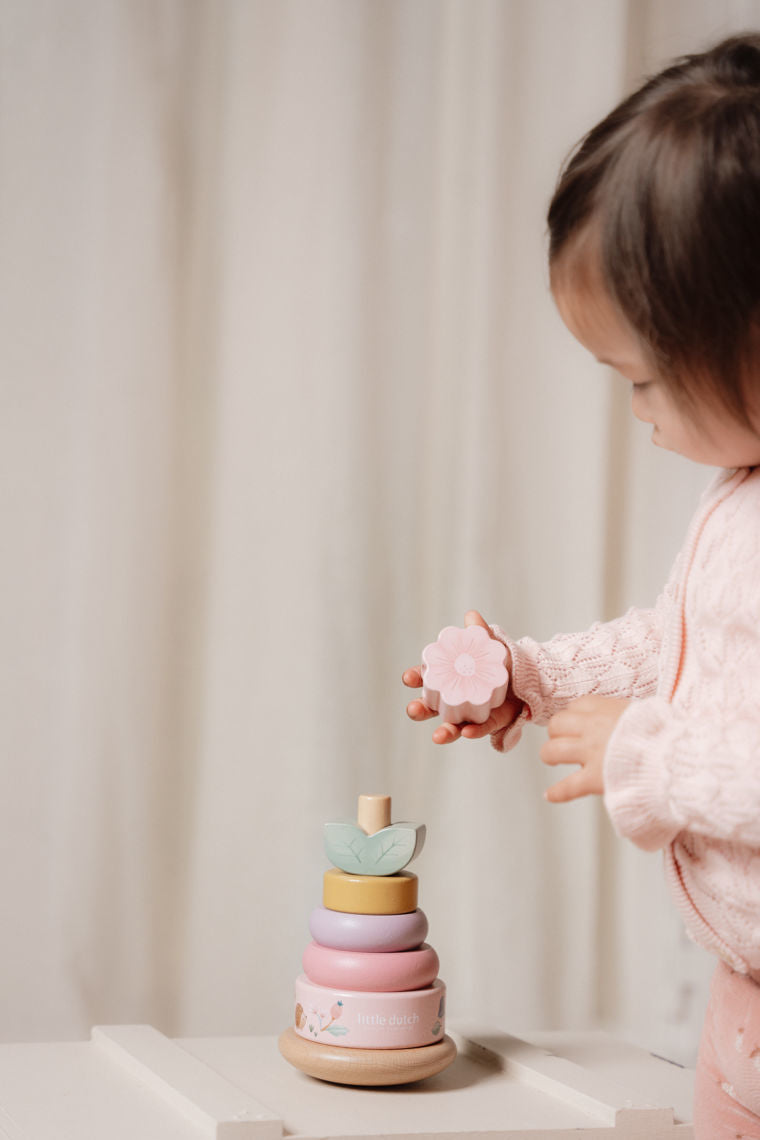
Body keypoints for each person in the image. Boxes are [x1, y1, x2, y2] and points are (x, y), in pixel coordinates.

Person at [403, 34, 760, 1139]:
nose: (639, 414)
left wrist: (646, 755)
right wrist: (538, 673)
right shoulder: (741, 495)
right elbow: (683, 644)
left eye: (644, 379)